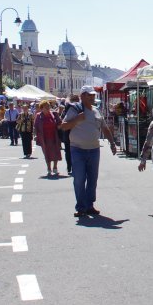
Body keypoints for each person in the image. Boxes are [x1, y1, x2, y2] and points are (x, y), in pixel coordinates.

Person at [60, 85, 116, 218]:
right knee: (79, 179)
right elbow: (63, 126)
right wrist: (77, 119)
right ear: (82, 96)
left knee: (92, 179)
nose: (92, 97)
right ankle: (80, 207)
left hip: (94, 150)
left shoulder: (96, 111)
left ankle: (89, 205)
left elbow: (104, 128)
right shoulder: (75, 110)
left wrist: (112, 143)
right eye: (89, 95)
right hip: (78, 149)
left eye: (93, 95)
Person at [34, 100, 61, 176]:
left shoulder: (54, 114)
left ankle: (55, 167)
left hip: (54, 136)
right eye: (46, 107)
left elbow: (59, 122)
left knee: (56, 152)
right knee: (47, 153)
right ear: (41, 108)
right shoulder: (39, 116)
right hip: (44, 138)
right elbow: (35, 126)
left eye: (48, 106)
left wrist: (59, 125)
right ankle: (49, 168)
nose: (48, 108)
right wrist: (35, 135)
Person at [59, 94, 80, 175]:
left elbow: (62, 119)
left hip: (67, 132)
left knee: (68, 151)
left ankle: (69, 167)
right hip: (76, 133)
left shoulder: (67, 108)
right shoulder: (79, 108)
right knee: (76, 150)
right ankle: (73, 166)